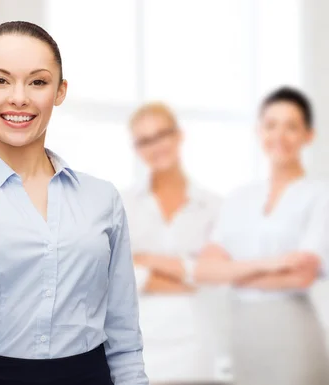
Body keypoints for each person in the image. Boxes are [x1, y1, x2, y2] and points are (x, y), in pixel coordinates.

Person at [0, 21, 148, 385]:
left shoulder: (102, 199)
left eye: (37, 81)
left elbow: (124, 334)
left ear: (59, 91)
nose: (18, 98)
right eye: (0, 80)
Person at [197, 86, 329, 385]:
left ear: (309, 135)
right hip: (242, 334)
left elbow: (301, 275)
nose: (279, 135)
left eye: (291, 126)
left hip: (294, 332)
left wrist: (230, 273)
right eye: (271, 125)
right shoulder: (238, 198)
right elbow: (204, 269)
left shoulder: (321, 195)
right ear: (259, 131)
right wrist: (273, 264)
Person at [123, 102, 222, 384]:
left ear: (179, 135)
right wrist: (187, 272)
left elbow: (216, 275)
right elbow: (114, 275)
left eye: (162, 135)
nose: (155, 147)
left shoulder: (213, 207)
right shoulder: (121, 205)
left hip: (195, 342)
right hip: (139, 342)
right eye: (144, 140)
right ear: (136, 149)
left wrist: (146, 261)